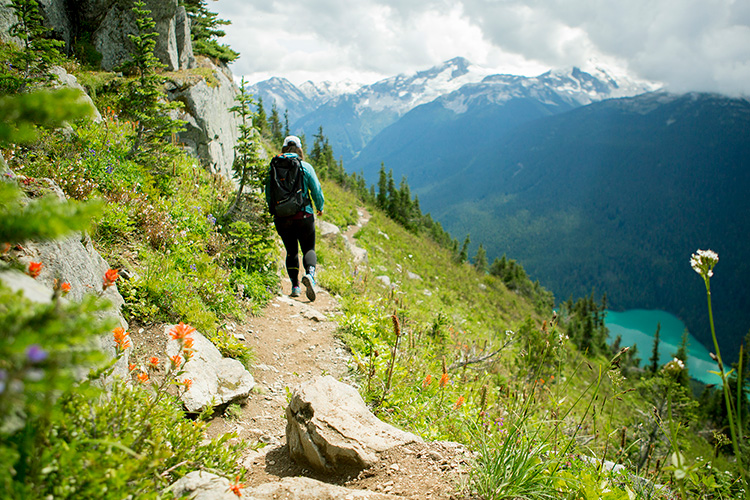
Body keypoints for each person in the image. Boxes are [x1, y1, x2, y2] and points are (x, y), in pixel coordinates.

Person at [266, 135, 324, 301]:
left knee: (291, 251)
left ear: (284, 149)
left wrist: (274, 211)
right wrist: (319, 207)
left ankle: (295, 286)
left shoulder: (274, 167)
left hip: (282, 218)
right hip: (304, 215)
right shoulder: (305, 167)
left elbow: (269, 193)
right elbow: (316, 190)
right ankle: (310, 276)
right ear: (299, 149)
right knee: (308, 249)